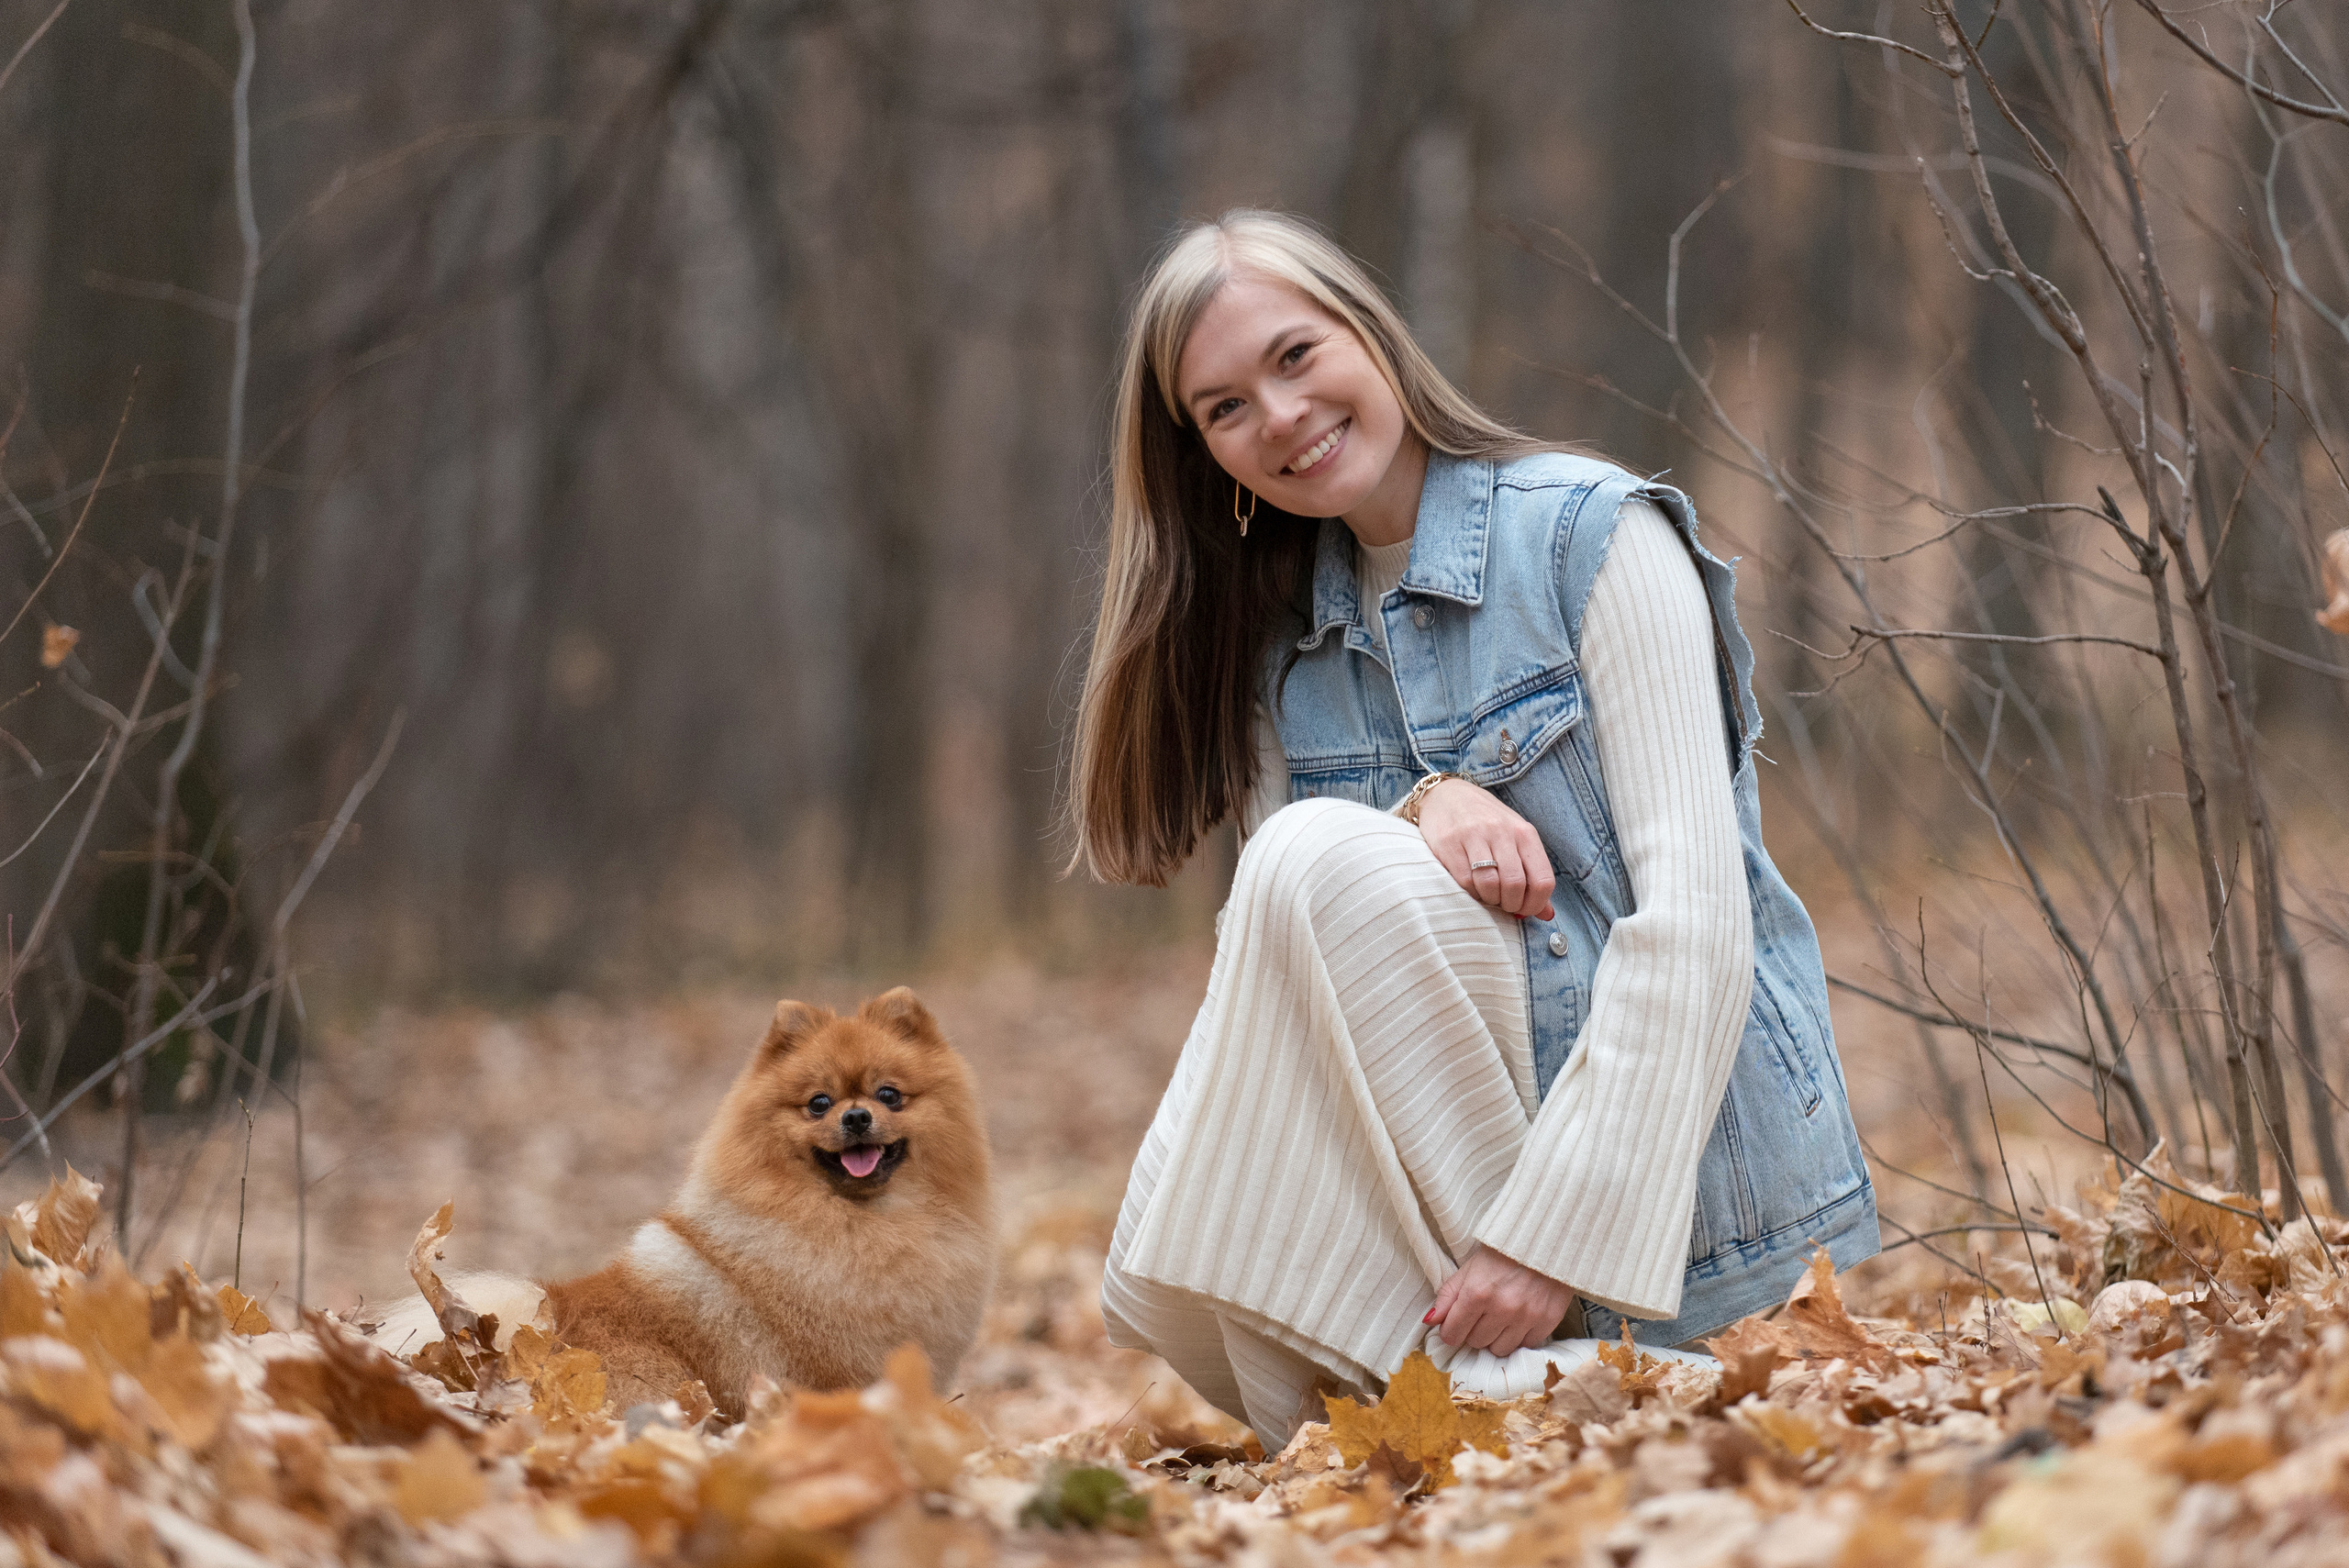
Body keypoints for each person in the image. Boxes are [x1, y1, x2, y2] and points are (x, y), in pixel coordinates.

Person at [1068, 209, 1876, 1446]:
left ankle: (1466, 1372)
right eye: (1225, 407)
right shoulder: (1286, 650)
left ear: (1373, 334)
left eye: (1296, 356)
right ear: (1204, 459)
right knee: (1165, 1236)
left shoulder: (1595, 536)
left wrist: (1555, 1238)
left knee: (1302, 858)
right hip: (1475, 1233)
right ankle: (1447, 1383)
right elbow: (1297, 988)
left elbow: (1701, 929)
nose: (1279, 417)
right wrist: (1419, 803)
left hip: (1679, 1204)